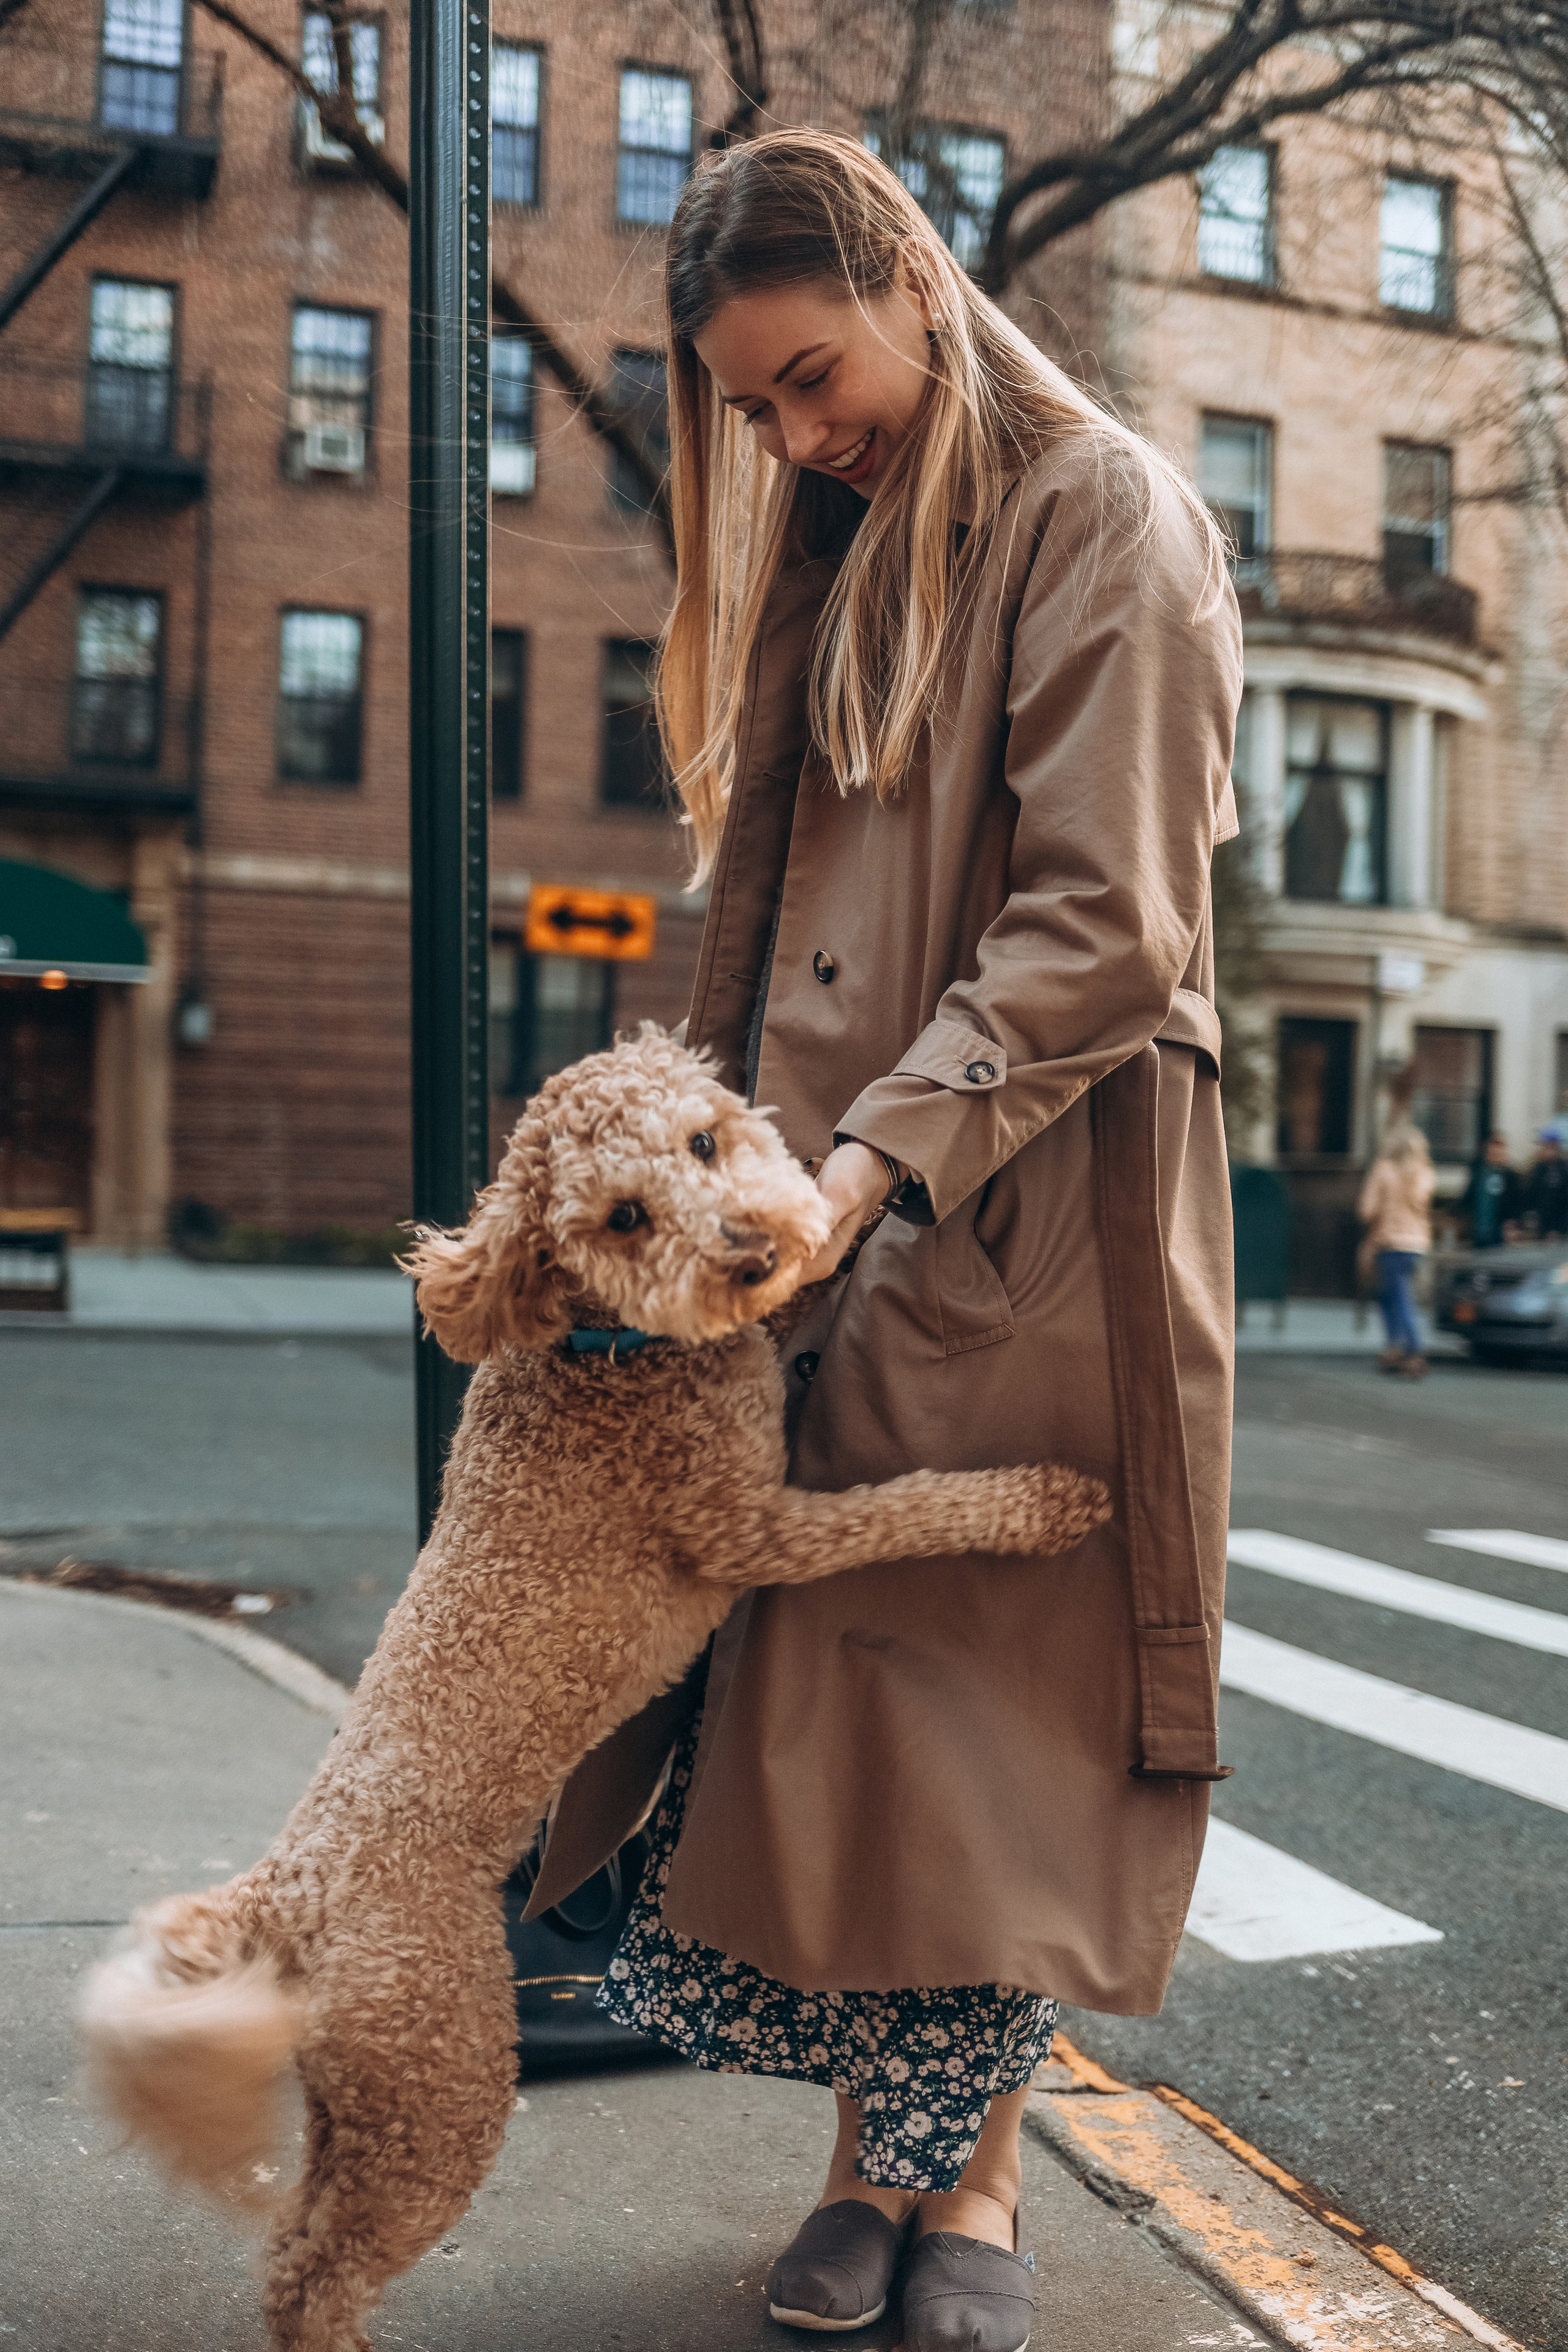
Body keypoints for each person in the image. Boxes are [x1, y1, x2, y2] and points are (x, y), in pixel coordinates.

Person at [526, 132, 1242, 2350]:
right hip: (827, 1200)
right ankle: (887, 2170)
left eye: (811, 378)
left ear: (915, 283)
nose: (793, 435)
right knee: (837, 1707)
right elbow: (773, 908)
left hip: (1028, 1195)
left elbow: (1104, 921)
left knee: (978, 1730)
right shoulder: (849, 531)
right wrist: (716, 1159)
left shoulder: (1099, 509)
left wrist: (861, 1167)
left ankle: (963, 2196)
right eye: (753, 410)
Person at [1357, 1125, 1436, 1376]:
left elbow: (1366, 1210)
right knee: (1392, 1295)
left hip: (1390, 1242)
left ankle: (1411, 1350)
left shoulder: (1384, 1170)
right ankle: (1395, 1348)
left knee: (1397, 1296)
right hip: (1418, 1244)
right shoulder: (1425, 1173)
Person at [1459, 1131, 1526, 1249]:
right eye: (1492, 1152)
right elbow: (1470, 1196)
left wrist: (1513, 1224)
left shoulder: (1510, 1176)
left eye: (1498, 1153)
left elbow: (1517, 1201)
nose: (1495, 1156)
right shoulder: (1480, 1173)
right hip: (1479, 1230)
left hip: (1500, 1231)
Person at [1526, 1129, 1567, 1240]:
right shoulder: (1538, 1169)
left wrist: (1559, 1229)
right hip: (1541, 1227)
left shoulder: (1563, 1170)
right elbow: (1531, 1197)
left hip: (1559, 1229)